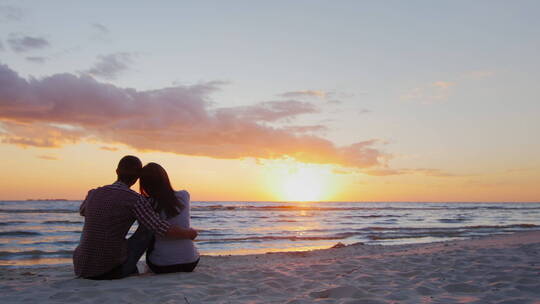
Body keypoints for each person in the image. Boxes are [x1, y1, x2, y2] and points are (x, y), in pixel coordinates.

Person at [73, 155, 198, 280]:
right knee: (147, 227)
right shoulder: (136, 200)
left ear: (117, 171)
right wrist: (190, 234)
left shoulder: (93, 193)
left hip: (81, 268)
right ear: (138, 177)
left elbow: (83, 211)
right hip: (111, 270)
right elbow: (160, 228)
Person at [140, 162, 200, 273]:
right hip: (191, 262)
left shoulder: (147, 203)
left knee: (148, 231)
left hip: (161, 265)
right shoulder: (184, 195)